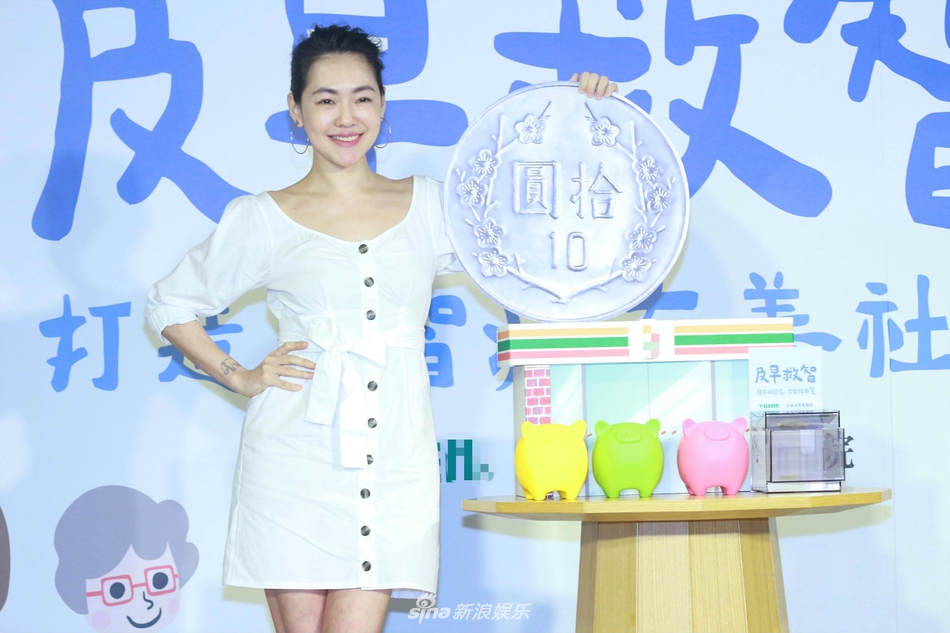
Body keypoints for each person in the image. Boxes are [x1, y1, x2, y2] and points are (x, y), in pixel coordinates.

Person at [145, 23, 617, 633]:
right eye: (325, 99)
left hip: (395, 453)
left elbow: (539, 224)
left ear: (382, 105)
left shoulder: (432, 205)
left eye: (362, 97)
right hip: (293, 455)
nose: (346, 117)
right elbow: (169, 303)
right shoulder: (262, 218)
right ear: (296, 110)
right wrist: (240, 376)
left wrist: (585, 116)